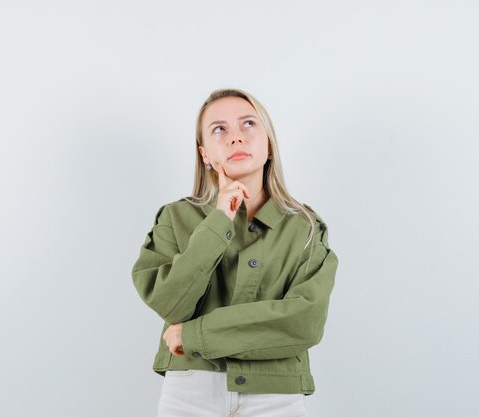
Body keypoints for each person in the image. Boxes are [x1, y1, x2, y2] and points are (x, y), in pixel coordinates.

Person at [131, 88, 339, 417]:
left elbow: (304, 322)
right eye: (219, 130)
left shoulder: (307, 228)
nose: (236, 139)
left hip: (277, 394)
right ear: (205, 155)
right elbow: (169, 303)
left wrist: (194, 334)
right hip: (191, 391)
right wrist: (220, 220)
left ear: (269, 144)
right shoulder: (175, 218)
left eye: (248, 125)